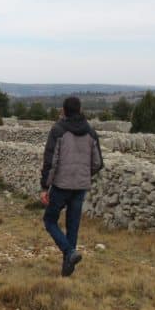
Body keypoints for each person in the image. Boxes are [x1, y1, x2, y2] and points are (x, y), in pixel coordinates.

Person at [40, 96, 103, 276]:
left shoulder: (58, 130)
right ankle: (68, 268)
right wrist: (84, 174)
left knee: (50, 220)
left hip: (61, 185)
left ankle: (69, 253)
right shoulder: (90, 132)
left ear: (64, 110)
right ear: (80, 109)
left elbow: (51, 161)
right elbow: (98, 162)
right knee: (73, 225)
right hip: (80, 186)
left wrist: (45, 186)